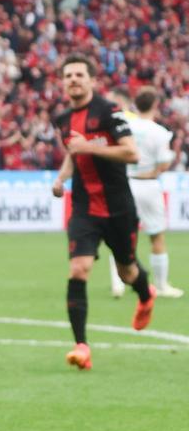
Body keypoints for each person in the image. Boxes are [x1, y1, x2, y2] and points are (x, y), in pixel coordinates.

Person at [51, 56, 150, 371]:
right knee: (79, 269)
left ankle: (146, 295)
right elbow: (72, 151)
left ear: (92, 80)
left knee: (127, 272)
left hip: (118, 208)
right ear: (63, 82)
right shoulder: (63, 120)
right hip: (84, 208)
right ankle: (81, 346)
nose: (74, 80)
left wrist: (89, 148)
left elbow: (131, 153)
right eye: (68, 75)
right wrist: (61, 178)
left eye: (79, 74)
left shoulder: (109, 112)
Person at [104, 88, 180, 299]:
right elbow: (164, 163)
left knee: (120, 236)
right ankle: (162, 285)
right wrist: (152, 171)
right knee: (156, 235)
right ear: (155, 105)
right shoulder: (159, 131)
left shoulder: (125, 124)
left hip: (124, 184)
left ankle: (118, 283)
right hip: (147, 185)